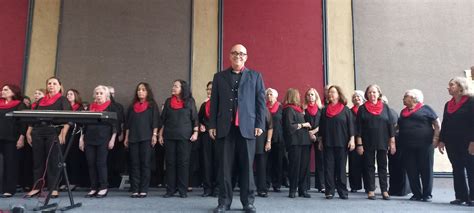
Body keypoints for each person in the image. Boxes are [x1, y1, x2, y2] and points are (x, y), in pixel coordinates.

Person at [209, 44, 265, 213]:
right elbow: (214, 103)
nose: (238, 56)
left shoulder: (255, 76)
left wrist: (259, 124)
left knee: (247, 168)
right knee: (225, 168)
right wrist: (212, 125)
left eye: (242, 54)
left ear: (246, 57)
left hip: (247, 128)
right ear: (229, 56)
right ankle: (224, 202)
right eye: (235, 53)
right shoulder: (219, 77)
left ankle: (248, 202)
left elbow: (260, 103)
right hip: (225, 128)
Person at [26, 77, 71, 198]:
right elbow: (33, 118)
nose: (51, 85)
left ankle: (53, 188)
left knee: (53, 161)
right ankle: (37, 187)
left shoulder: (63, 99)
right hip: (38, 131)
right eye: (49, 83)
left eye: (54, 83)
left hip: (54, 131)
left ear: (59, 86)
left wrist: (64, 132)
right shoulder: (41, 101)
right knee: (38, 161)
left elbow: (69, 118)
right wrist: (28, 132)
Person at [398, 89, 440, 202]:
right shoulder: (403, 112)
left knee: (426, 169)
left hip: (425, 144)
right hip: (407, 145)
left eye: (405, 96)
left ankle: (427, 194)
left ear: (413, 98)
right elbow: (398, 126)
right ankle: (416, 193)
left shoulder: (426, 109)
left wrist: (436, 138)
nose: (403, 99)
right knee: (411, 169)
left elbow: (437, 124)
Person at [159, 79, 198, 198]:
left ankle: (182, 190)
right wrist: (160, 135)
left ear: (183, 89)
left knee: (183, 163)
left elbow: (195, 119)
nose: (173, 88)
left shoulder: (190, 101)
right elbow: (163, 120)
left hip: (185, 137)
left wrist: (195, 132)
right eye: (173, 85)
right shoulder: (168, 101)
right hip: (169, 136)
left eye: (176, 86)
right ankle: (170, 190)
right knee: (170, 163)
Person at [438, 77, 474, 206]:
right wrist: (441, 140)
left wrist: (473, 141)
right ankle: (461, 196)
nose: (448, 87)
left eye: (451, 85)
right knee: (457, 168)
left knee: (471, 169)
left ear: (460, 87)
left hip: (468, 142)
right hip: (452, 143)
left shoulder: (471, 101)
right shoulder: (448, 104)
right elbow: (445, 123)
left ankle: (473, 197)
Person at [356, 84, 395, 200]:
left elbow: (390, 126)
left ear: (379, 94)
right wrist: (359, 144)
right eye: (370, 92)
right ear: (367, 95)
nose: (372, 94)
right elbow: (358, 128)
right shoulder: (362, 109)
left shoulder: (385, 107)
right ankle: (371, 190)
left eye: (374, 92)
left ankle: (384, 190)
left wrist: (392, 143)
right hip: (367, 142)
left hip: (383, 141)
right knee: (369, 166)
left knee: (383, 166)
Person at [79, 85, 118, 198]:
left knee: (101, 163)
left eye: (101, 93)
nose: (99, 95)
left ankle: (103, 187)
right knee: (91, 164)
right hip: (89, 138)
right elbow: (84, 125)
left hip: (103, 139)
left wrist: (113, 139)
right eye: (97, 93)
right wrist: (81, 139)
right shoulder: (91, 107)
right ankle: (93, 188)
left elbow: (115, 125)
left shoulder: (111, 107)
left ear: (106, 95)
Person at [124, 82, 161, 198]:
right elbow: (128, 124)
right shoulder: (132, 106)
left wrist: (154, 135)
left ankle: (143, 189)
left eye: (143, 89)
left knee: (145, 164)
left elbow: (155, 121)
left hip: (146, 138)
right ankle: (135, 189)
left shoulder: (152, 105)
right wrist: (126, 137)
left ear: (147, 92)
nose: (140, 91)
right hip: (133, 138)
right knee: (134, 164)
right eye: (139, 89)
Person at [318, 85, 354, 199]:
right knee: (328, 168)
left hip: (342, 143)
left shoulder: (346, 109)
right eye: (329, 92)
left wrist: (352, 139)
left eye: (333, 92)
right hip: (328, 143)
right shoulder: (324, 110)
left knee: (341, 168)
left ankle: (343, 191)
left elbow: (351, 127)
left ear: (338, 95)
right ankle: (329, 191)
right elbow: (322, 127)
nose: (330, 94)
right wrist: (320, 141)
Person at [282, 88, 312, 199]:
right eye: (298, 95)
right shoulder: (288, 109)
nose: (299, 97)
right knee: (295, 166)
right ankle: (293, 189)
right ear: (293, 96)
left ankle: (302, 189)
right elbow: (289, 127)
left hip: (304, 142)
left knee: (304, 167)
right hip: (295, 143)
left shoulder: (298, 109)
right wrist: (303, 125)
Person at [0, 84, 27, 197]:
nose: (2, 91)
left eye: (6, 89)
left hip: (12, 138)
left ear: (13, 92)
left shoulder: (20, 105)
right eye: (2, 89)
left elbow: (23, 123)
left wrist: (21, 137)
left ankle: (9, 189)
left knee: (11, 164)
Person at [63, 89, 87, 190]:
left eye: (71, 94)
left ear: (76, 95)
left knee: (74, 159)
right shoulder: (64, 107)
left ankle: (74, 181)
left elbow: (83, 123)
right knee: (65, 158)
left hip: (76, 134)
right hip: (65, 134)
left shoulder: (80, 108)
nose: (69, 96)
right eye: (67, 94)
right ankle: (65, 181)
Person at [303, 88, 325, 193]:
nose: (310, 96)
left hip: (319, 136)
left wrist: (315, 131)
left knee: (320, 160)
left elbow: (324, 123)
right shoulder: (303, 109)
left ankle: (321, 185)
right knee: (305, 160)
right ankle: (305, 185)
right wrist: (309, 133)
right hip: (306, 136)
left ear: (316, 96)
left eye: (312, 94)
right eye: (308, 95)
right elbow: (301, 122)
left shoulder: (321, 109)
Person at [199, 81, 218, 197]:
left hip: (218, 136)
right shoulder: (204, 105)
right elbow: (199, 119)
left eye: (211, 89)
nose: (209, 91)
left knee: (218, 162)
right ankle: (207, 188)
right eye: (208, 89)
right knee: (206, 162)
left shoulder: (222, 104)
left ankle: (217, 188)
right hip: (206, 136)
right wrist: (201, 125)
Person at [265, 88, 284, 192]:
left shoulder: (281, 108)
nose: (269, 96)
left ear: (276, 96)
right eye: (267, 94)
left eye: (271, 94)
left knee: (278, 162)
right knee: (267, 163)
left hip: (279, 138)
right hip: (266, 138)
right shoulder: (264, 107)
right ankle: (266, 183)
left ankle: (277, 184)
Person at [348, 90, 368, 193]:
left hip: (366, 140)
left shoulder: (367, 110)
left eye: (358, 97)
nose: (357, 98)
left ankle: (368, 186)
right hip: (353, 140)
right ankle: (355, 186)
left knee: (367, 163)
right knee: (354, 164)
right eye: (355, 97)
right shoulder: (349, 111)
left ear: (362, 98)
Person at [255, 108, 273, 197]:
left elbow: (270, 127)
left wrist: (268, 141)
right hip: (246, 141)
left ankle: (262, 189)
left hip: (261, 142)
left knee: (261, 167)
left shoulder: (264, 109)